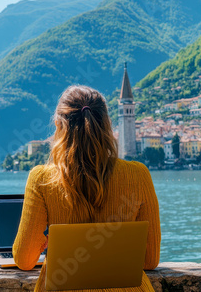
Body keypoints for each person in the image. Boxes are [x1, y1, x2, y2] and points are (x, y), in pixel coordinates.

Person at [12, 85, 161, 292]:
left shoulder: (41, 179)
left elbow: (24, 260)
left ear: (58, 125)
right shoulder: (138, 174)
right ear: (107, 125)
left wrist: (47, 243)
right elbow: (150, 259)